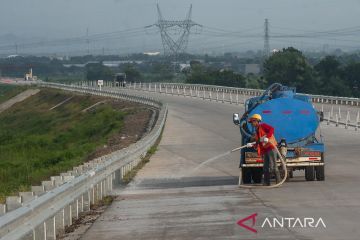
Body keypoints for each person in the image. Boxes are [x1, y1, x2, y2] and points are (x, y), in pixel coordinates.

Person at [246, 114, 281, 185]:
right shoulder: (257, 131)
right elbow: (258, 141)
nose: (252, 123)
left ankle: (278, 181)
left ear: (257, 121)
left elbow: (272, 129)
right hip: (265, 150)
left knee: (273, 165)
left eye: (253, 121)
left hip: (271, 147)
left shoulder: (263, 126)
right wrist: (251, 144)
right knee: (265, 166)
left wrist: (267, 137)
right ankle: (266, 182)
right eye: (251, 122)